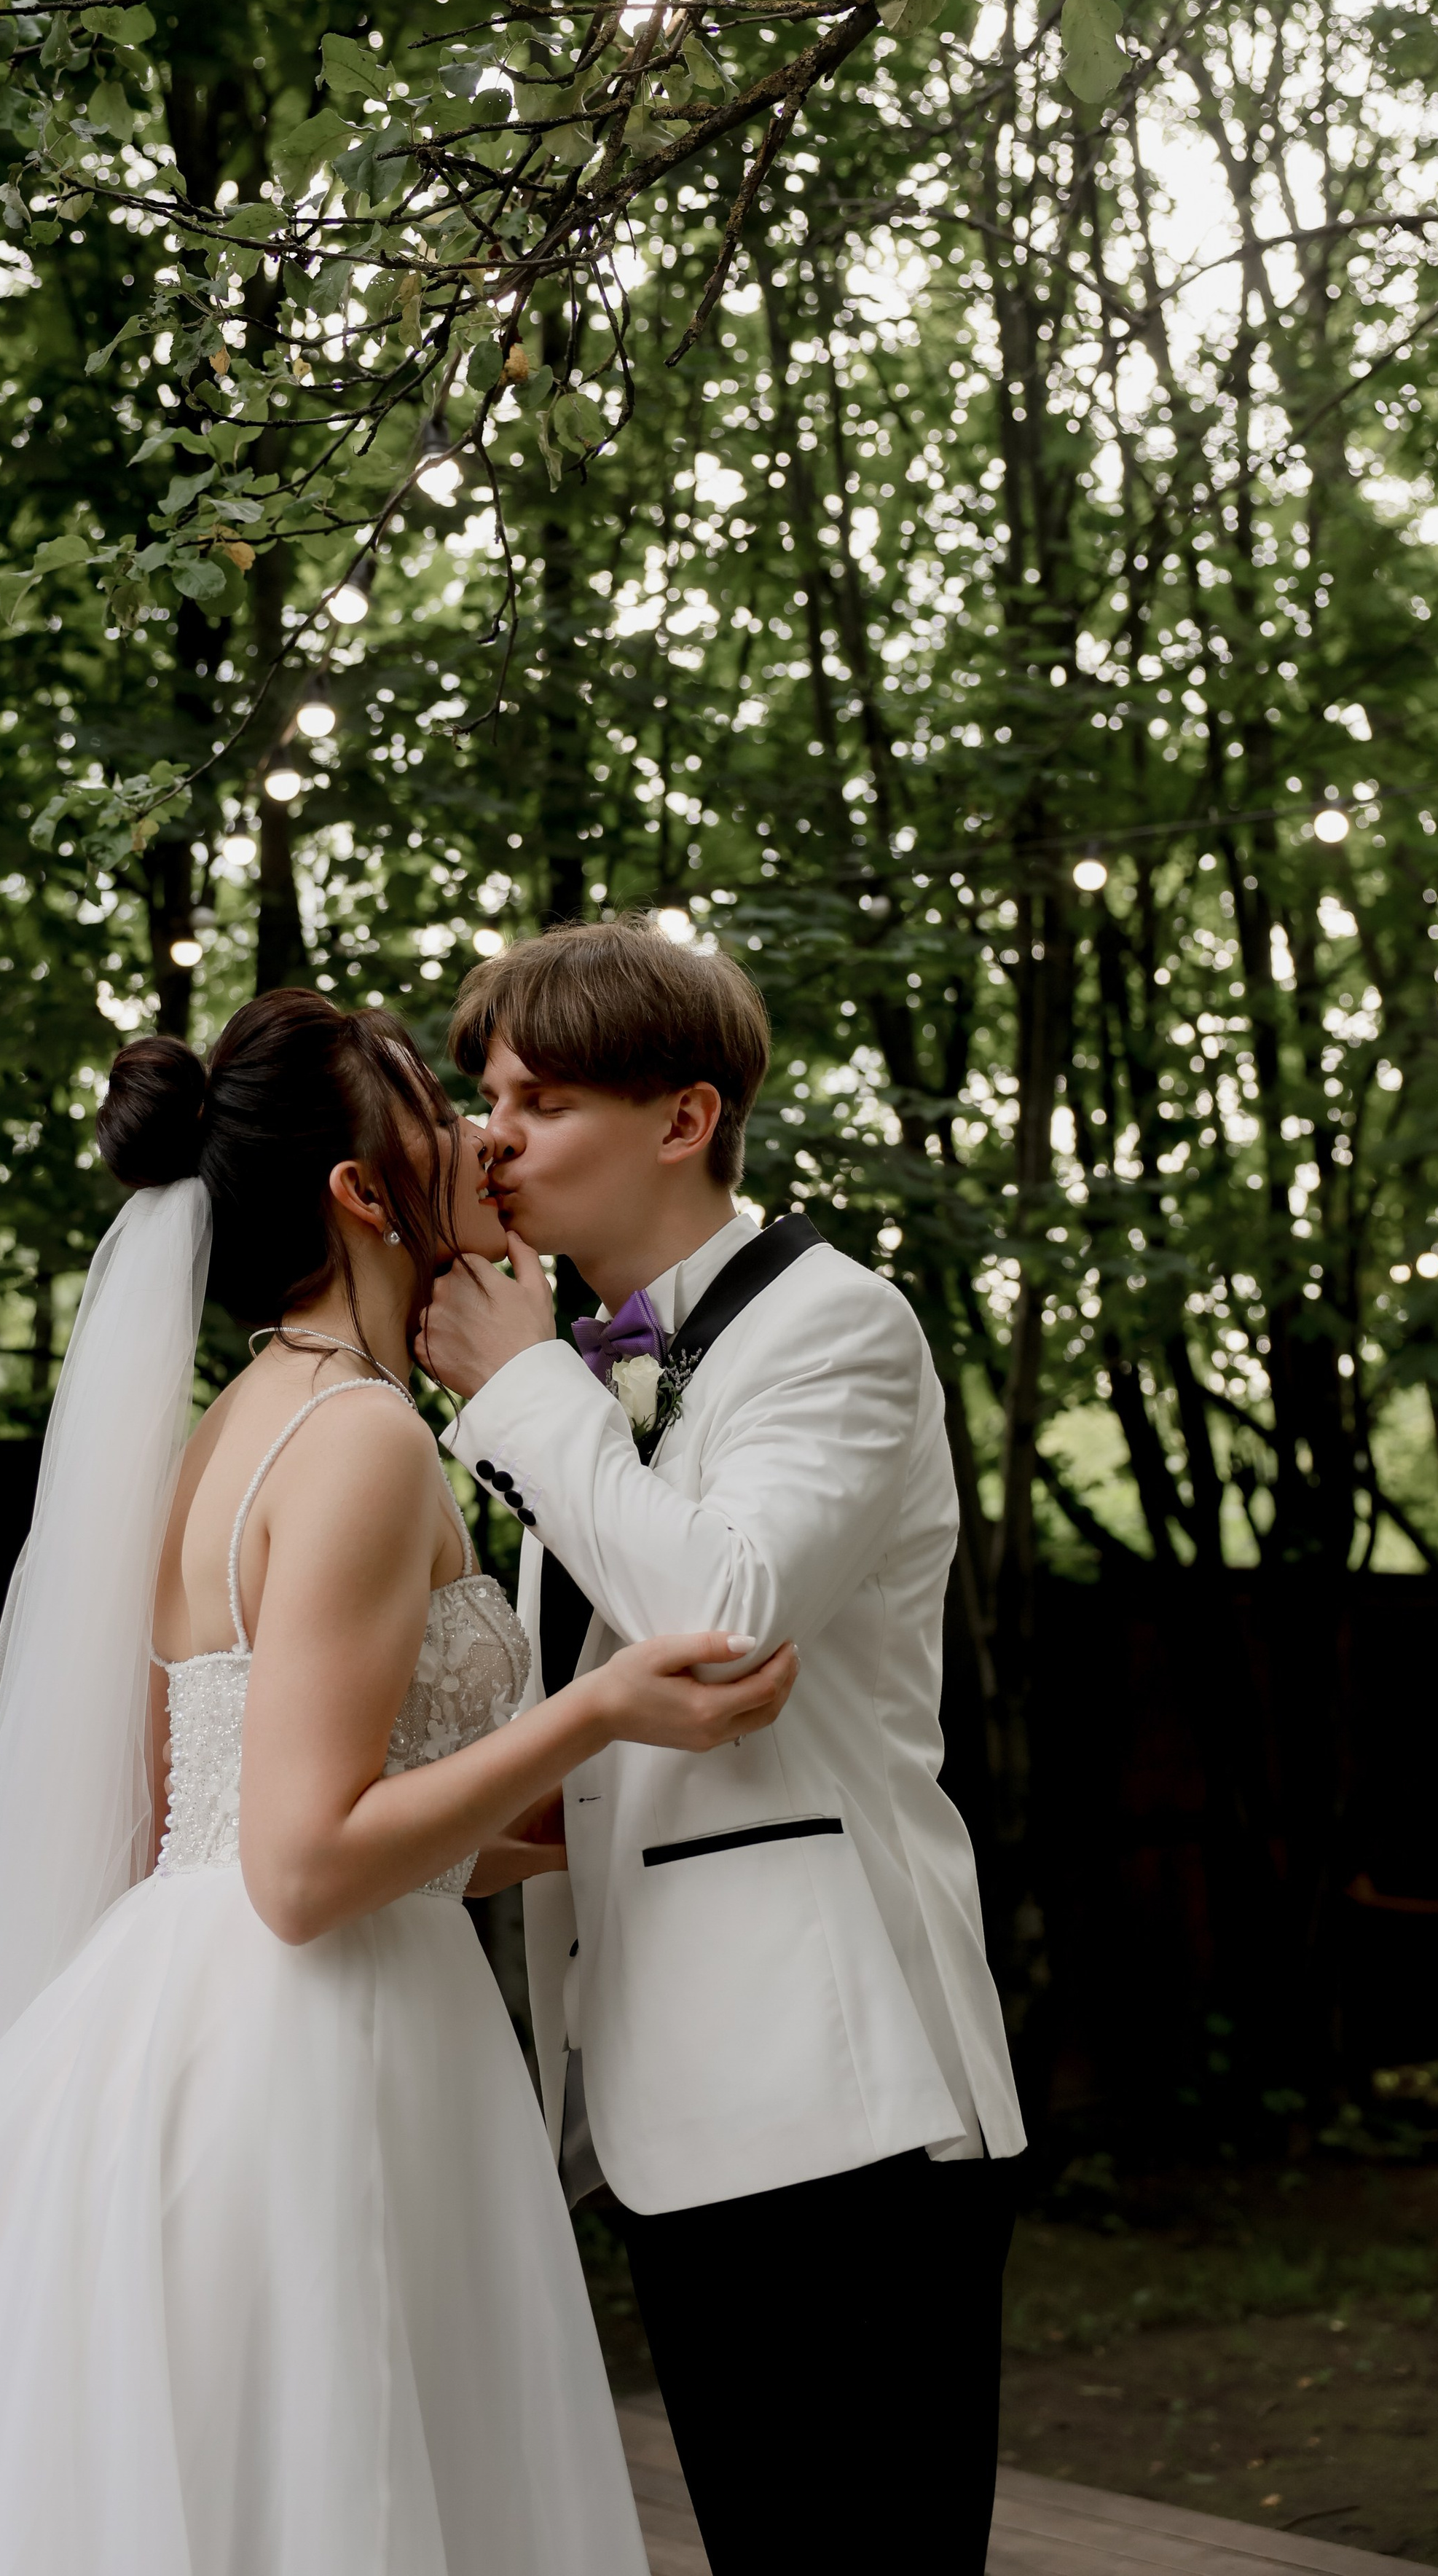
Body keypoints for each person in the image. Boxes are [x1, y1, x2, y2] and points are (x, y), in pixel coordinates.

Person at [0, 988, 796, 2576]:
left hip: (181, 2016)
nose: (478, 1133)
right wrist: (597, 1712)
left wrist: (575, 1834)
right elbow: (296, 1864)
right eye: (429, 1098)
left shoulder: (227, 1433)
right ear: (359, 1190)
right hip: (319, 2049)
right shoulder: (356, 1440)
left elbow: (231, 1819)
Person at [419, 917, 1026, 2576]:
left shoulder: (836, 1324)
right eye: (488, 1098)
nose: (494, 1138)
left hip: (837, 2100)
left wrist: (527, 1390)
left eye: (538, 1100)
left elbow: (726, 1612)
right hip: (662, 2106)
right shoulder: (598, 1382)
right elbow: (619, 1747)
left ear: (681, 1121)